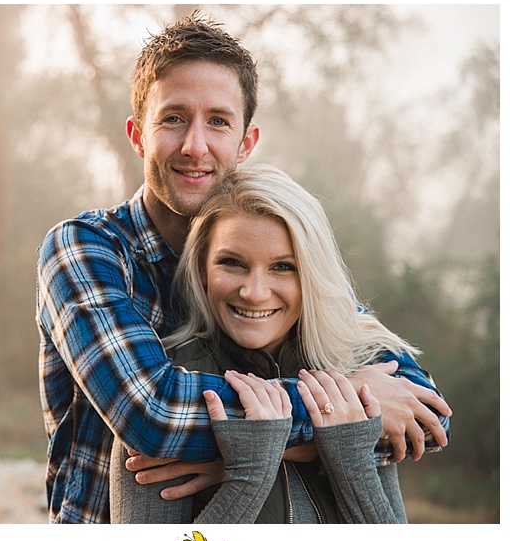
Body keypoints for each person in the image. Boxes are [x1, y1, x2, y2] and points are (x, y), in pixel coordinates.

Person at [36, 13, 451, 524]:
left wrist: (260, 453)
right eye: (173, 119)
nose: (195, 145)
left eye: (217, 121)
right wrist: (335, 418)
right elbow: (154, 412)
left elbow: (420, 411)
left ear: (246, 142)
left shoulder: (274, 251)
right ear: (137, 134)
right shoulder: (86, 248)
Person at [111, 165, 425, 523]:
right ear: (201, 268)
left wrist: (345, 457)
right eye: (231, 263)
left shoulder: (355, 378)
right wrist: (248, 474)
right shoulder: (169, 392)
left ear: (311, 273)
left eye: (282, 267)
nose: (254, 293)